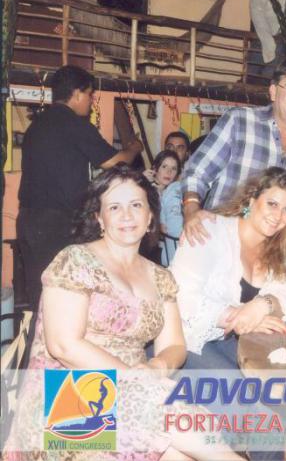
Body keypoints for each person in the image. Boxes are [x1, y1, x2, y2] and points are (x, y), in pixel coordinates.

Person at [3, 165, 241, 460]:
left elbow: (174, 346)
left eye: (136, 205)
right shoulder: (75, 260)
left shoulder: (160, 277)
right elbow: (63, 346)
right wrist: (135, 380)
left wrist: (158, 367)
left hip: (136, 398)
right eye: (114, 207)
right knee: (170, 420)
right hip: (66, 396)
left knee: (178, 452)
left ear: (150, 216)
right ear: (99, 218)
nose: (127, 215)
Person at [16, 65, 143, 311]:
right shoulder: (74, 123)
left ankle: (35, 335)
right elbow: (113, 161)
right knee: (63, 296)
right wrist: (134, 148)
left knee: (39, 296)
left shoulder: (36, 126)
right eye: (89, 94)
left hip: (28, 221)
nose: (91, 101)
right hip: (56, 223)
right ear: (76, 94)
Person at [181, 56, 286, 245]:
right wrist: (191, 210)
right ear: (273, 92)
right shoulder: (239, 122)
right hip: (221, 241)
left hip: (272, 252)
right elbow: (196, 173)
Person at [170, 167, 286, 368]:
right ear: (252, 200)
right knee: (244, 386)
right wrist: (242, 316)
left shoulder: (279, 251)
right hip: (186, 342)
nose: (278, 216)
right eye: (272, 204)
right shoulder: (209, 230)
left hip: (236, 343)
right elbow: (180, 297)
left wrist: (263, 305)